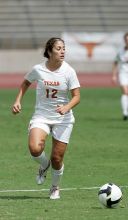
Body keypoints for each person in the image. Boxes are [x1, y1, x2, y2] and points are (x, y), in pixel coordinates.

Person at [12, 37, 80, 199]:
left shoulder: (69, 71)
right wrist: (17, 100)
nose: (62, 51)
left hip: (63, 119)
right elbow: (26, 83)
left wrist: (66, 107)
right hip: (41, 116)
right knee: (35, 148)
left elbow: (77, 96)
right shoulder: (38, 69)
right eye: (58, 48)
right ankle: (44, 165)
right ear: (49, 52)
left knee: (57, 158)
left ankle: (55, 187)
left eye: (63, 48)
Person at [112, 32, 128, 120]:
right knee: (125, 92)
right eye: (126, 40)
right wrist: (114, 75)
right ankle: (125, 112)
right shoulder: (120, 51)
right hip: (123, 73)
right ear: (124, 41)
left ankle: (127, 108)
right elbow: (115, 62)